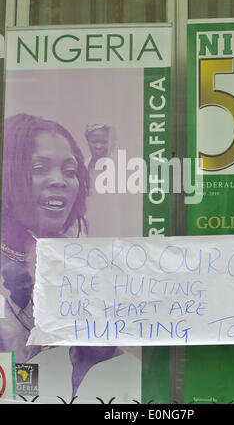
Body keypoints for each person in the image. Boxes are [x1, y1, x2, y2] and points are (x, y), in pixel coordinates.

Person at [0, 113, 119, 396]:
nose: (60, 181)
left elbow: (106, 369)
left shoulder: (82, 264)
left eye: (70, 171)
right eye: (40, 168)